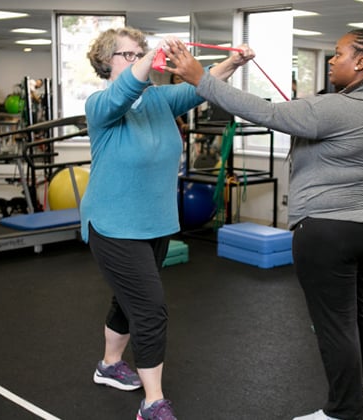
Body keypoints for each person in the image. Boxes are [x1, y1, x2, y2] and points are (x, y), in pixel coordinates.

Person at [166, 28, 363, 420]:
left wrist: (201, 78)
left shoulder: (340, 106)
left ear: (361, 62)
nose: (332, 60)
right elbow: (300, 120)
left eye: (338, 53)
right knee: (362, 307)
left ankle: (344, 409)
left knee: (335, 321)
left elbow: (270, 114)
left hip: (331, 231)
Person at [81, 27, 253, 420]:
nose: (139, 57)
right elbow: (124, 91)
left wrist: (233, 62)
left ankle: (109, 365)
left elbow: (200, 87)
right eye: (129, 54)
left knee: (128, 299)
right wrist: (151, 55)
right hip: (112, 223)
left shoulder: (158, 100)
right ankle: (152, 401)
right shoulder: (101, 104)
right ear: (108, 62)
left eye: (139, 52)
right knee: (150, 308)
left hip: (154, 223)